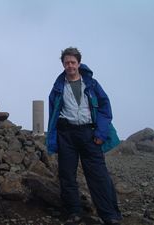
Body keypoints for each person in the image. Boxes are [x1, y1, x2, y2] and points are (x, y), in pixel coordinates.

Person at [46, 47, 122, 225]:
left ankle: (110, 215)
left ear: (79, 63)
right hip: (66, 134)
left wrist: (101, 133)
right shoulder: (58, 87)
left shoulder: (92, 84)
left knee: (98, 175)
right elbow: (52, 114)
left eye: (73, 62)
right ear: (63, 65)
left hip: (89, 134)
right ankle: (74, 213)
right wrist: (54, 138)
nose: (70, 65)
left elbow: (105, 109)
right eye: (66, 63)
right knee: (66, 175)